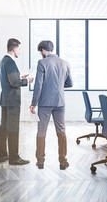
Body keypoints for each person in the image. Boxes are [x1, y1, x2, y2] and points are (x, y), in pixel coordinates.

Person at [30, 40, 73, 170]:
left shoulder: (42, 63)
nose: (40, 54)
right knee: (61, 131)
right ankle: (63, 161)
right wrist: (58, 85)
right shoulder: (65, 63)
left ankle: (40, 161)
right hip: (60, 102)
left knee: (42, 130)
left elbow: (38, 85)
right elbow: (70, 83)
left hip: (45, 103)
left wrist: (33, 103)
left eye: (40, 51)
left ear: (43, 50)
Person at [0, 38, 33, 165]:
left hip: (5, 100)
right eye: (19, 49)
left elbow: (9, 80)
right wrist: (26, 81)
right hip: (12, 101)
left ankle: (3, 155)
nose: (20, 51)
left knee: (4, 128)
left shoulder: (3, 61)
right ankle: (14, 158)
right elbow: (14, 83)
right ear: (14, 49)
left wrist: (19, 77)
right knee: (13, 128)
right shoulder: (10, 62)